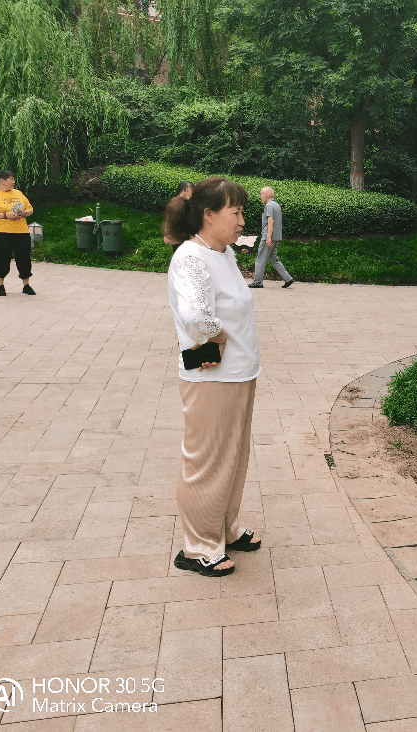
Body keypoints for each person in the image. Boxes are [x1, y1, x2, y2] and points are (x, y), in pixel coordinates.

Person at [165, 177, 262, 577]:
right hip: (212, 378)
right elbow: (196, 317)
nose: (242, 221)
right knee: (207, 461)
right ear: (208, 215)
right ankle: (199, 546)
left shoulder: (220, 253)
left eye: (242, 212)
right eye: (235, 212)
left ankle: (223, 528)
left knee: (234, 457)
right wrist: (218, 335)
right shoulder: (191, 257)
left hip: (238, 374)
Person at [0, 171, 35, 296]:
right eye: (11, 179)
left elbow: (30, 209)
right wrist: (5, 215)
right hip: (2, 232)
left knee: (24, 258)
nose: (14, 182)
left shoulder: (18, 193)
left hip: (21, 231)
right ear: (2, 181)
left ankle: (26, 285)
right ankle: (0, 286)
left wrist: (24, 213)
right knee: (2, 259)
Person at [248, 186, 294, 289]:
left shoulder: (269, 205)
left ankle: (257, 282)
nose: (260, 197)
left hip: (268, 237)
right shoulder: (277, 205)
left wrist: (268, 237)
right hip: (277, 237)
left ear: (266, 195)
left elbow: (270, 221)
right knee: (273, 258)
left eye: (261, 194)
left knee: (260, 258)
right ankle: (288, 279)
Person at [163, 181, 194, 249]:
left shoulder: (192, 206)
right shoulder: (174, 207)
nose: (189, 196)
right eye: (184, 192)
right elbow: (167, 239)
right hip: (181, 244)